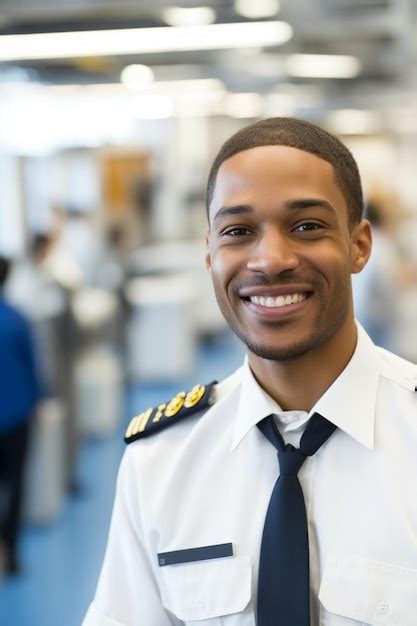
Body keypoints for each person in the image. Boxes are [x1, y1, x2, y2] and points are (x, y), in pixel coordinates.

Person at [82, 118, 417, 626]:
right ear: (211, 253)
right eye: (238, 231)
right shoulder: (160, 463)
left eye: (307, 226)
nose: (271, 260)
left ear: (359, 245)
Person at [0, 257, 42, 575]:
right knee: (15, 485)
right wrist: (38, 402)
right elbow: (32, 368)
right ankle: (11, 551)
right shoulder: (17, 319)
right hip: (16, 417)